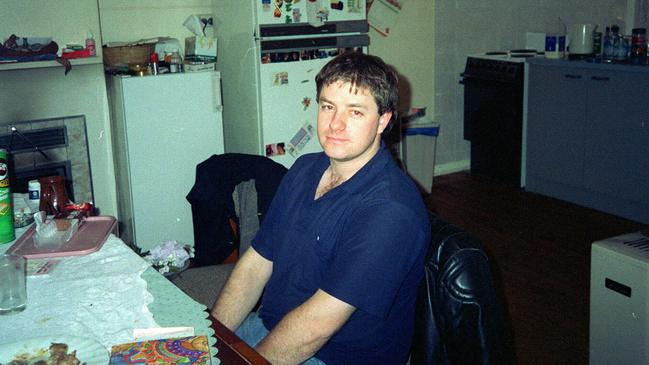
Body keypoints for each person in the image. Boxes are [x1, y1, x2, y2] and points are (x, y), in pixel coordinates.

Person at [211, 52, 430, 365]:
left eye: (355, 112)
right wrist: (211, 338)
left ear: (383, 120)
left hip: (334, 355)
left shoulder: (391, 210)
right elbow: (256, 263)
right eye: (328, 106)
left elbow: (315, 327)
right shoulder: (304, 169)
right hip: (273, 328)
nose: (335, 124)